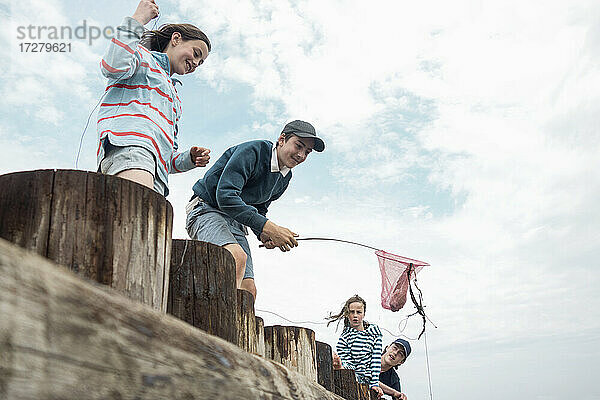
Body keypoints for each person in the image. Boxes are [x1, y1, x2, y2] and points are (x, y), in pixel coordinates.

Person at [185, 120, 325, 298]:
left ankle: (236, 324)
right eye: (298, 145)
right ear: (282, 139)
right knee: (234, 258)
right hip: (207, 209)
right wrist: (269, 227)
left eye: (307, 152)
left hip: (236, 222)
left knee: (249, 290)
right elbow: (225, 196)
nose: (301, 155)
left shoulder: (285, 177)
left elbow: (259, 209)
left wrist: (263, 233)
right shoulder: (254, 151)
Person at [97, 0, 211, 196]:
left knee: (140, 222)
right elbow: (112, 66)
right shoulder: (142, 57)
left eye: (200, 63)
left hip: (158, 174)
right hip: (131, 148)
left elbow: (168, 158)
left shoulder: (175, 99)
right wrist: (139, 18)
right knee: (135, 211)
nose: (195, 63)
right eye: (196, 53)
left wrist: (189, 159)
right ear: (176, 39)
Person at [329, 295, 384, 398]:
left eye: (358, 312)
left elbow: (376, 360)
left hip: (370, 381)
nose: (355, 315)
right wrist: (340, 365)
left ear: (364, 314)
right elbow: (349, 364)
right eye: (351, 312)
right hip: (353, 380)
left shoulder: (375, 333)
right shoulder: (344, 339)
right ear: (347, 314)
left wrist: (375, 383)